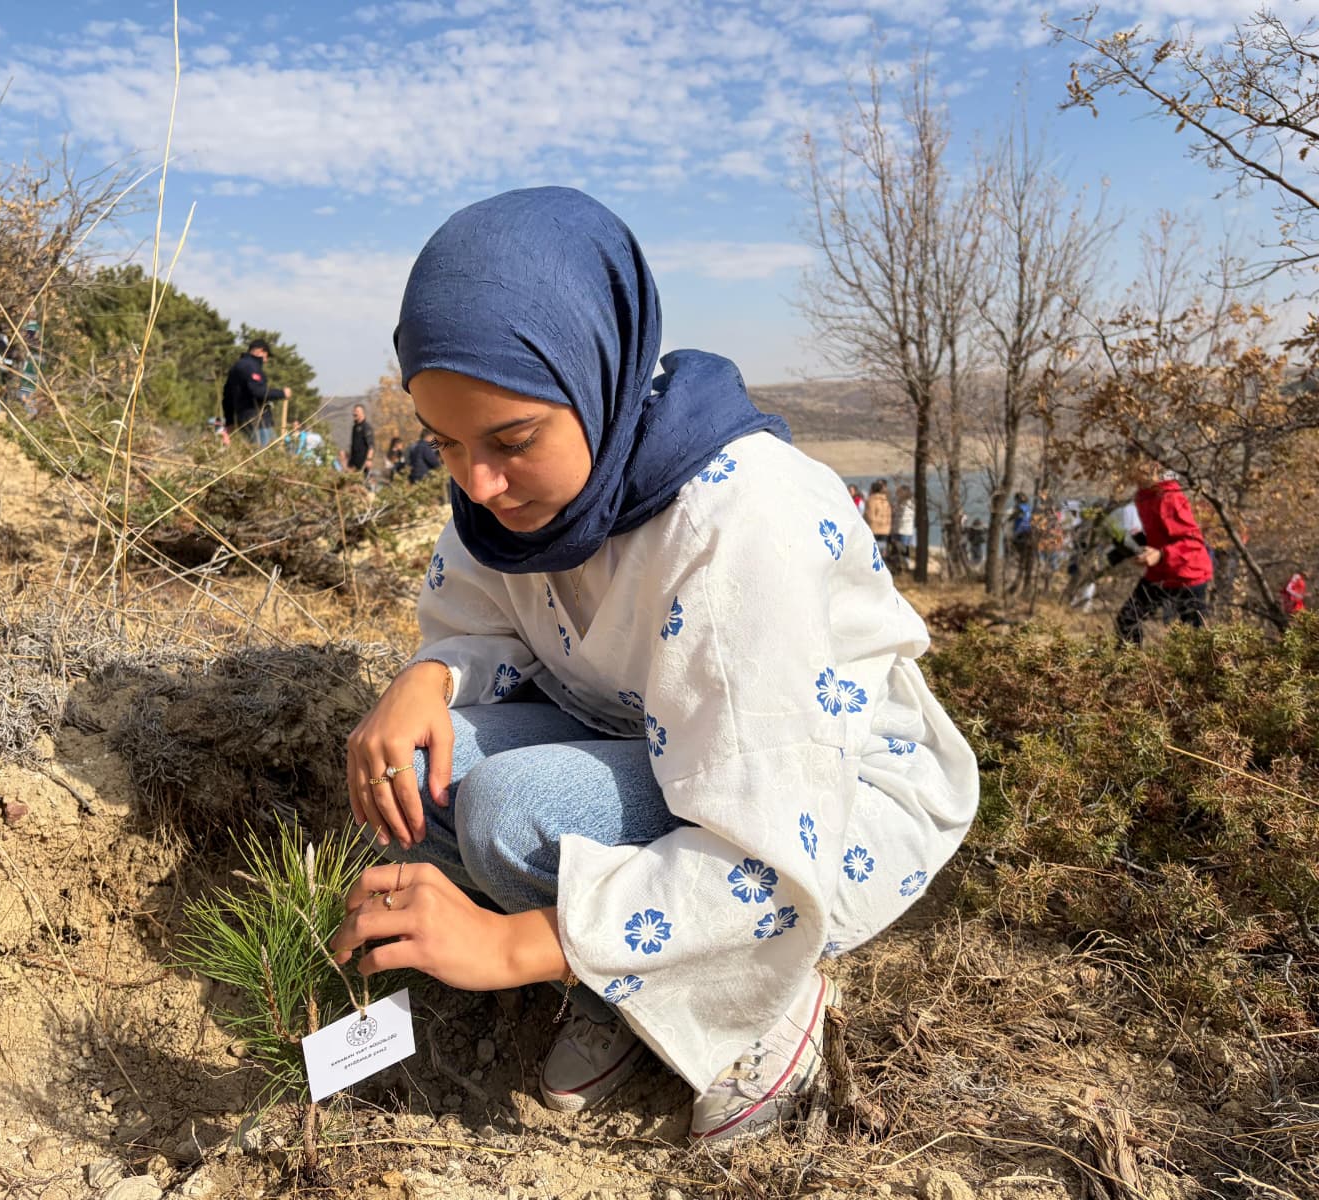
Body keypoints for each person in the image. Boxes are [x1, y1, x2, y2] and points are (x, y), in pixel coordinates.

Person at [330, 188, 978, 1144]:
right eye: (446, 444)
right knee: (416, 773)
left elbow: (768, 837)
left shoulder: (739, 524)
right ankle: (613, 968)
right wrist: (424, 680)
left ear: (598, 371)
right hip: (640, 733)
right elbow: (483, 618)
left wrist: (510, 945)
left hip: (820, 795)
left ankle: (758, 1006)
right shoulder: (507, 496)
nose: (479, 483)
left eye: (513, 440)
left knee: (511, 810)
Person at [1115, 466, 1214, 644]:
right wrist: (1134, 545)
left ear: (1153, 467)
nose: (1130, 472)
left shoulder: (1169, 497)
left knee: (1194, 640)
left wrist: (1160, 555)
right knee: (1127, 619)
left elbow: (1193, 543)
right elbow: (1158, 534)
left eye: (1135, 466)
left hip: (1188, 574)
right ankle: (1131, 661)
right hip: (1160, 573)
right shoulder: (1144, 495)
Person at [222, 339, 290, 446]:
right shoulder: (250, 366)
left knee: (271, 449)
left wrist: (229, 421)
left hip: (244, 419)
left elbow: (227, 398)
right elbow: (258, 391)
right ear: (260, 351)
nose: (266, 360)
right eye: (266, 356)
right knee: (266, 452)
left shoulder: (236, 366)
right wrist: (282, 393)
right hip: (257, 420)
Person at [344, 403, 376, 480]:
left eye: (357, 411)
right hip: (353, 462)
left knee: (360, 482)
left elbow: (371, 446)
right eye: (354, 411)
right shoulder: (355, 427)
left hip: (363, 462)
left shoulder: (366, 427)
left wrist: (369, 460)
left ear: (363, 413)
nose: (354, 413)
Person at [893, 484, 917, 572]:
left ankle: (906, 565)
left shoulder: (909, 503)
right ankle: (900, 565)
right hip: (898, 529)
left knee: (904, 549)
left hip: (905, 530)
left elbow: (905, 517)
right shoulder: (900, 502)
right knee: (899, 549)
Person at [863, 480, 891, 550]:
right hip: (885, 528)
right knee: (882, 548)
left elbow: (869, 516)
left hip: (874, 528)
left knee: (874, 549)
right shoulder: (885, 500)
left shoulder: (871, 500)